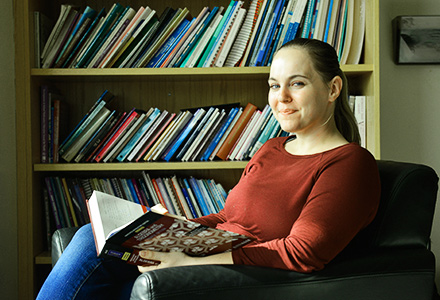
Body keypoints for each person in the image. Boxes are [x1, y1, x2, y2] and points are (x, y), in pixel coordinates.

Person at [36, 38, 380, 299]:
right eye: (275, 85)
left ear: (333, 88)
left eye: (297, 83)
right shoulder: (273, 148)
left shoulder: (349, 163)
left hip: (237, 278)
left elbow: (303, 252)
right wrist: (165, 229)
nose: (281, 97)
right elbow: (229, 217)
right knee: (90, 237)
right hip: (208, 256)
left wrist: (189, 261)